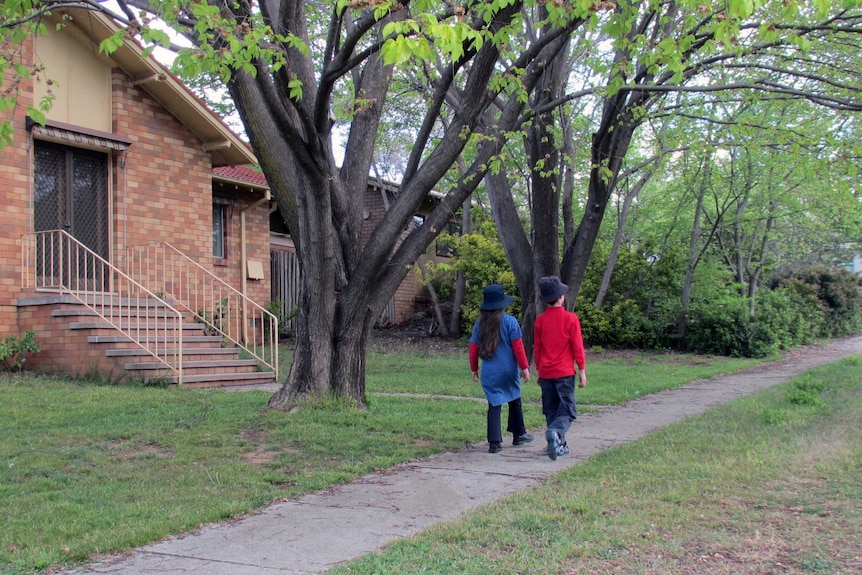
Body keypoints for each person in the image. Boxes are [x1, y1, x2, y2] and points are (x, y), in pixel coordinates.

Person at [469, 284, 533, 453]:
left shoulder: (479, 324)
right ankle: (519, 434)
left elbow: (473, 347)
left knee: (494, 404)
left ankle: (494, 442)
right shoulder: (510, 322)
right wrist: (524, 368)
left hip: (490, 372)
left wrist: (474, 368)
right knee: (514, 398)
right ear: (502, 304)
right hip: (508, 371)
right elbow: (518, 348)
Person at [533, 275, 587, 460]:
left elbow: (538, 349)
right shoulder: (571, 319)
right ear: (561, 297)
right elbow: (577, 347)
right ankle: (556, 432)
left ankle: (558, 443)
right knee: (567, 408)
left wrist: (539, 371)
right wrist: (582, 371)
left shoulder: (540, 321)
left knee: (551, 408)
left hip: (546, 372)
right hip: (564, 372)